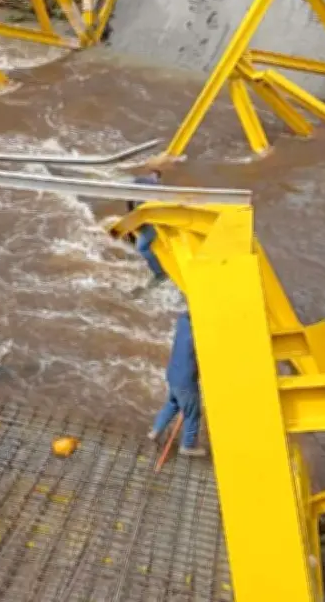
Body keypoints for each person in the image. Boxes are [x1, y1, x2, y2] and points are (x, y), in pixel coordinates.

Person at [148, 311, 206, 457]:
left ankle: (156, 431)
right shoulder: (198, 335)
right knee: (192, 413)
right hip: (186, 382)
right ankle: (187, 446)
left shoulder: (183, 322)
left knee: (173, 403)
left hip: (173, 373)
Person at [126, 169, 166, 285]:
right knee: (143, 247)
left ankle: (159, 273)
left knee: (141, 247)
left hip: (143, 215)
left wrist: (130, 213)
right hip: (151, 216)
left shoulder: (139, 179)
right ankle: (159, 272)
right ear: (158, 177)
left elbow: (128, 198)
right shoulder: (159, 186)